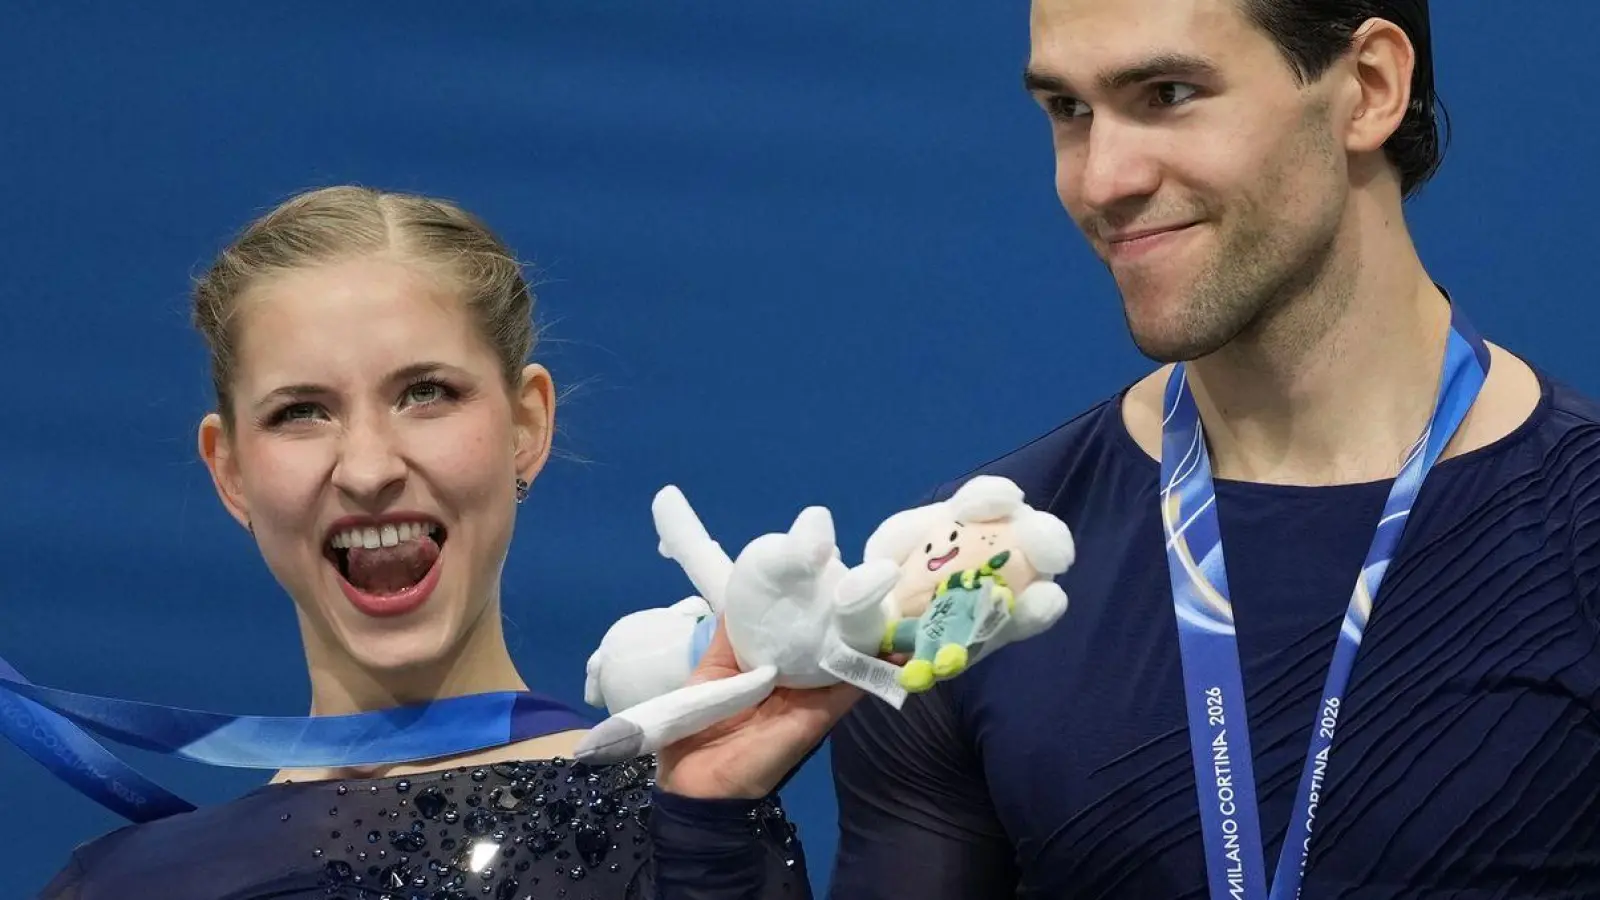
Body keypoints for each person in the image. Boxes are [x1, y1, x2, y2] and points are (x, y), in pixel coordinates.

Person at [646, 1, 1600, 897]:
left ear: (1370, 87)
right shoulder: (979, 579)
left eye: (1167, 95)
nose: (1102, 181)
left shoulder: (1579, 523)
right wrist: (710, 818)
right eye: (1069, 110)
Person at [34, 185, 811, 900]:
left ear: (526, 425)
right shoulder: (121, 884)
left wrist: (709, 839)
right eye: (301, 412)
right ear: (230, 470)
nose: (368, 468)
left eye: (425, 394)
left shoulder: (677, 829)